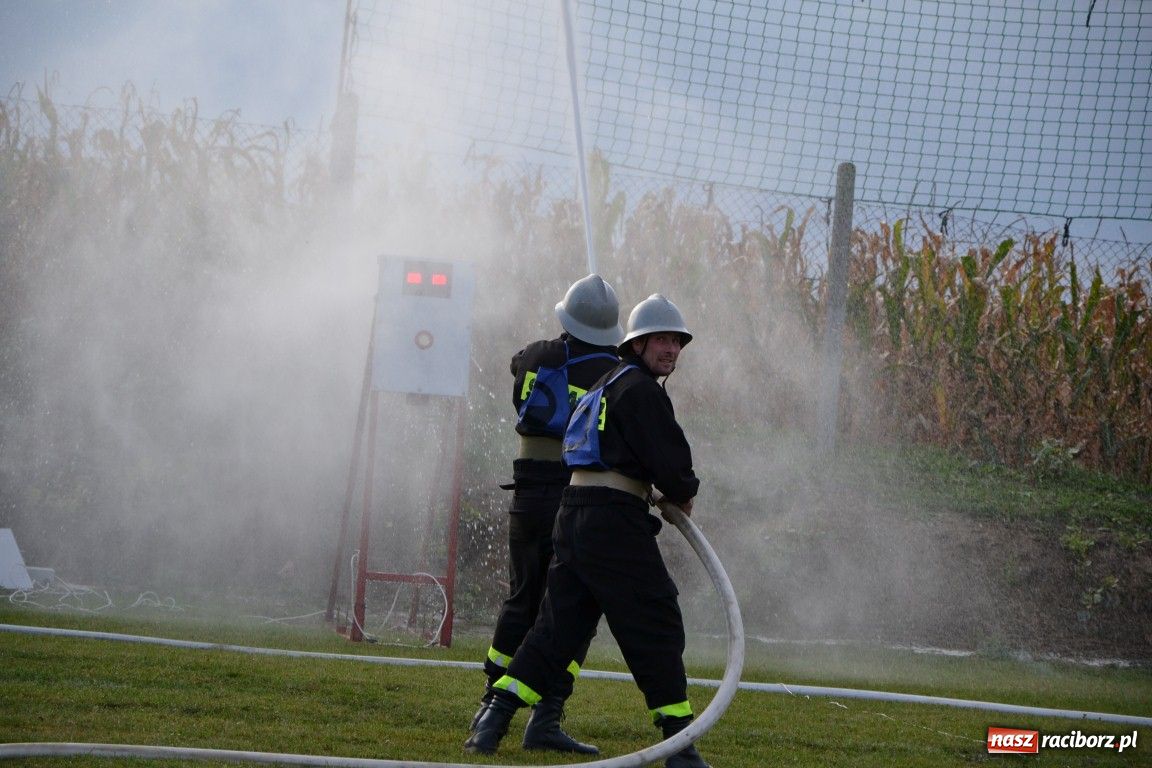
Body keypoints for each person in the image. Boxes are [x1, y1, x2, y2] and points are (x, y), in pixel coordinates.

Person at [465, 294, 710, 768]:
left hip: (574, 513)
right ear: (636, 344)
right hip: (614, 518)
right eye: (660, 339)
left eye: (676, 342)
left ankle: (493, 721)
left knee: (556, 629)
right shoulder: (642, 390)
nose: (671, 349)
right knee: (656, 618)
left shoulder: (605, 382)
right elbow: (672, 464)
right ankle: (680, 745)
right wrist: (682, 492)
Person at [467, 273, 624, 755]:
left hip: (528, 497)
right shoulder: (614, 372)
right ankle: (547, 714)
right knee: (573, 608)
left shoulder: (536, 355)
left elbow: (517, 371)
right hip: (576, 499)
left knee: (521, 598)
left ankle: (489, 703)